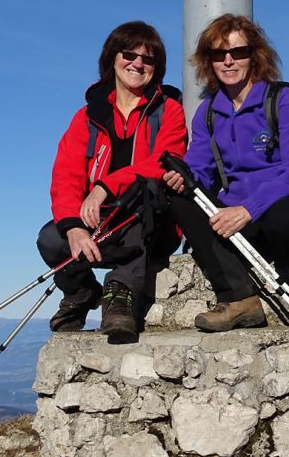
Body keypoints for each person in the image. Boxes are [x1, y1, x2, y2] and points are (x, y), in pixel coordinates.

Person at [163, 14, 289, 332]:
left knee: (287, 211)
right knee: (182, 195)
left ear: (254, 56)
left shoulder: (282, 100)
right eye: (218, 54)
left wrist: (247, 209)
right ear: (208, 61)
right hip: (239, 219)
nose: (228, 61)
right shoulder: (208, 113)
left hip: (283, 215)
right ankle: (240, 300)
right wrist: (184, 179)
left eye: (237, 52)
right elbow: (201, 168)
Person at [38, 21, 187, 340]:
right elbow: (65, 175)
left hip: (153, 221)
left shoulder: (169, 111)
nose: (138, 63)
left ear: (156, 68)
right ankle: (81, 293)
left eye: (148, 59)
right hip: (102, 224)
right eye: (129, 54)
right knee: (52, 239)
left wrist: (106, 186)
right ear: (112, 58)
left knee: (142, 196)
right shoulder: (87, 117)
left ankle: (120, 296)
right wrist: (74, 227)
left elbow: (164, 163)